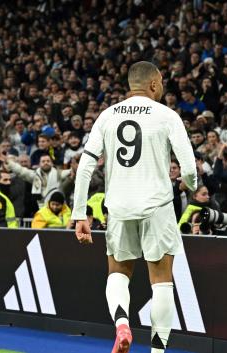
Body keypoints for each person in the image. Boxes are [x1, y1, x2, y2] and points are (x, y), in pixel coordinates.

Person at [71, 62, 196, 353]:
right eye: (162, 81)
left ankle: (122, 325)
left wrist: (79, 214)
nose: (163, 86)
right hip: (157, 206)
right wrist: (192, 183)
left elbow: (86, 165)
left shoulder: (107, 116)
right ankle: (157, 350)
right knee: (162, 283)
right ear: (153, 84)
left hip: (119, 207)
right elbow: (188, 168)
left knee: (117, 273)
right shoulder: (167, 116)